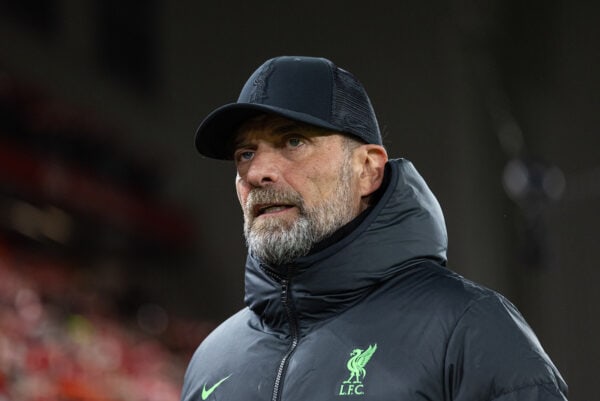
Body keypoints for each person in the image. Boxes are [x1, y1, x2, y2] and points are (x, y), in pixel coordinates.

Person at [181, 56, 568, 401]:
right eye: (245, 153)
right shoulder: (211, 362)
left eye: (293, 141)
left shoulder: (469, 330)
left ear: (367, 169)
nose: (257, 171)